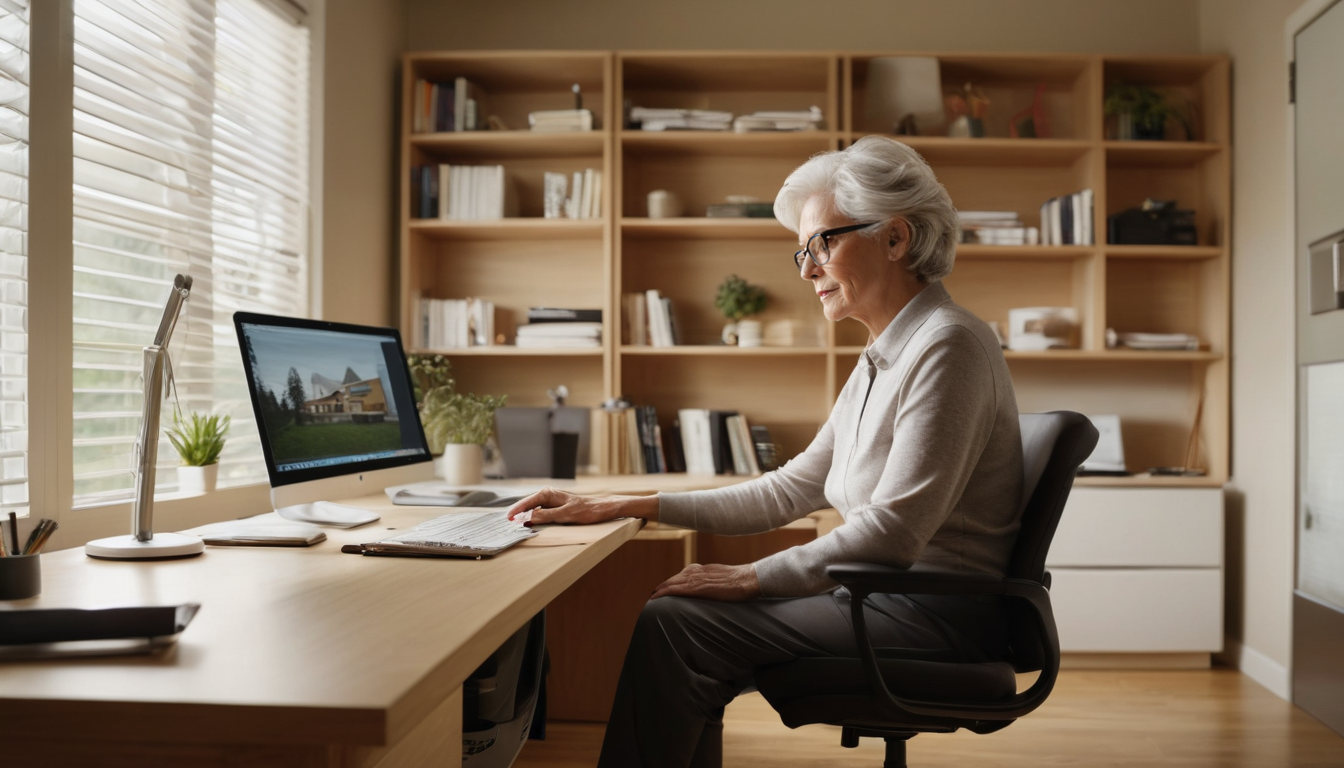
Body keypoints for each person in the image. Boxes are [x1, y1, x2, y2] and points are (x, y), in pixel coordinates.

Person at [506, 135, 1024, 768]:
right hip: (878, 599)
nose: (807, 270)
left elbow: (892, 534)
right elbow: (788, 488)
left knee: (677, 623)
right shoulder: (882, 356)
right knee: (681, 612)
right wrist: (624, 504)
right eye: (801, 251)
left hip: (933, 618)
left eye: (823, 244)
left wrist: (749, 578)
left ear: (896, 239)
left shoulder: (949, 346)